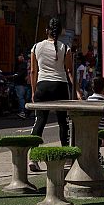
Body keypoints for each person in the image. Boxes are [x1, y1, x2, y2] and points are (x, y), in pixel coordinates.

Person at [29, 17, 79, 172]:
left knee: (40, 121)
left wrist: (33, 90)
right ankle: (66, 156)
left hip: (42, 86)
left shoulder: (36, 47)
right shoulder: (65, 47)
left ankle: (33, 157)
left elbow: (33, 71)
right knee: (63, 121)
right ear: (60, 32)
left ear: (46, 31)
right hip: (60, 86)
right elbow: (69, 71)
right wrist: (76, 90)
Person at [13, 53, 31, 119]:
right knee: (26, 98)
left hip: (22, 83)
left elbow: (20, 74)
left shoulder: (23, 65)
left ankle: (23, 111)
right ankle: (26, 112)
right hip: (27, 83)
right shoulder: (26, 64)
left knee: (21, 98)